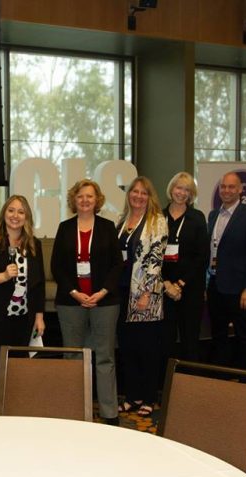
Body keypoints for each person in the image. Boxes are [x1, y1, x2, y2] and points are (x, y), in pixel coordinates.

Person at [51, 179, 123, 425]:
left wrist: (102, 292)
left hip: (105, 302)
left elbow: (117, 265)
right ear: (74, 200)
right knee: (72, 357)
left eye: (89, 196)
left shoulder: (107, 227)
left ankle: (109, 413)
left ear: (97, 200)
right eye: (80, 196)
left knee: (104, 357)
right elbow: (57, 266)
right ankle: (73, 412)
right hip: (71, 302)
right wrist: (74, 292)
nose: (85, 200)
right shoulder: (64, 228)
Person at [0, 195, 46, 404]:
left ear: (27, 217)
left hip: (24, 317)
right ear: (4, 213)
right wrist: (3, 276)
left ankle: (16, 408)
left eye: (21, 212)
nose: (15, 216)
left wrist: (39, 317)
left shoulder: (33, 245)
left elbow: (38, 283)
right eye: (11, 210)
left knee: (19, 363)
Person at [115, 177, 167, 418]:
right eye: (134, 191)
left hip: (145, 294)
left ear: (150, 196)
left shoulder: (157, 221)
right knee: (128, 348)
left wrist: (146, 293)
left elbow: (156, 260)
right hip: (122, 293)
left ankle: (148, 398)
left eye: (143, 192)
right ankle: (133, 396)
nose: (138, 196)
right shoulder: (122, 220)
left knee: (147, 349)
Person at [206, 171, 246, 370]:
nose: (227, 190)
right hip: (215, 285)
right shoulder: (213, 215)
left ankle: (245, 378)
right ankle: (221, 377)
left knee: (243, 335)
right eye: (223, 187)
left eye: (231, 187)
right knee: (219, 334)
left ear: (240, 190)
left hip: (239, 290)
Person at [161, 172, 209, 363]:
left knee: (190, 341)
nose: (181, 193)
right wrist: (167, 284)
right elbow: (152, 255)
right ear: (171, 188)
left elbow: (202, 256)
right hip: (163, 289)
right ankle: (165, 387)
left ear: (191, 194)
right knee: (165, 340)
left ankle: (190, 387)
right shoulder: (158, 217)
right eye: (178, 187)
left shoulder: (197, 218)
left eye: (186, 190)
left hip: (190, 289)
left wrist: (180, 284)